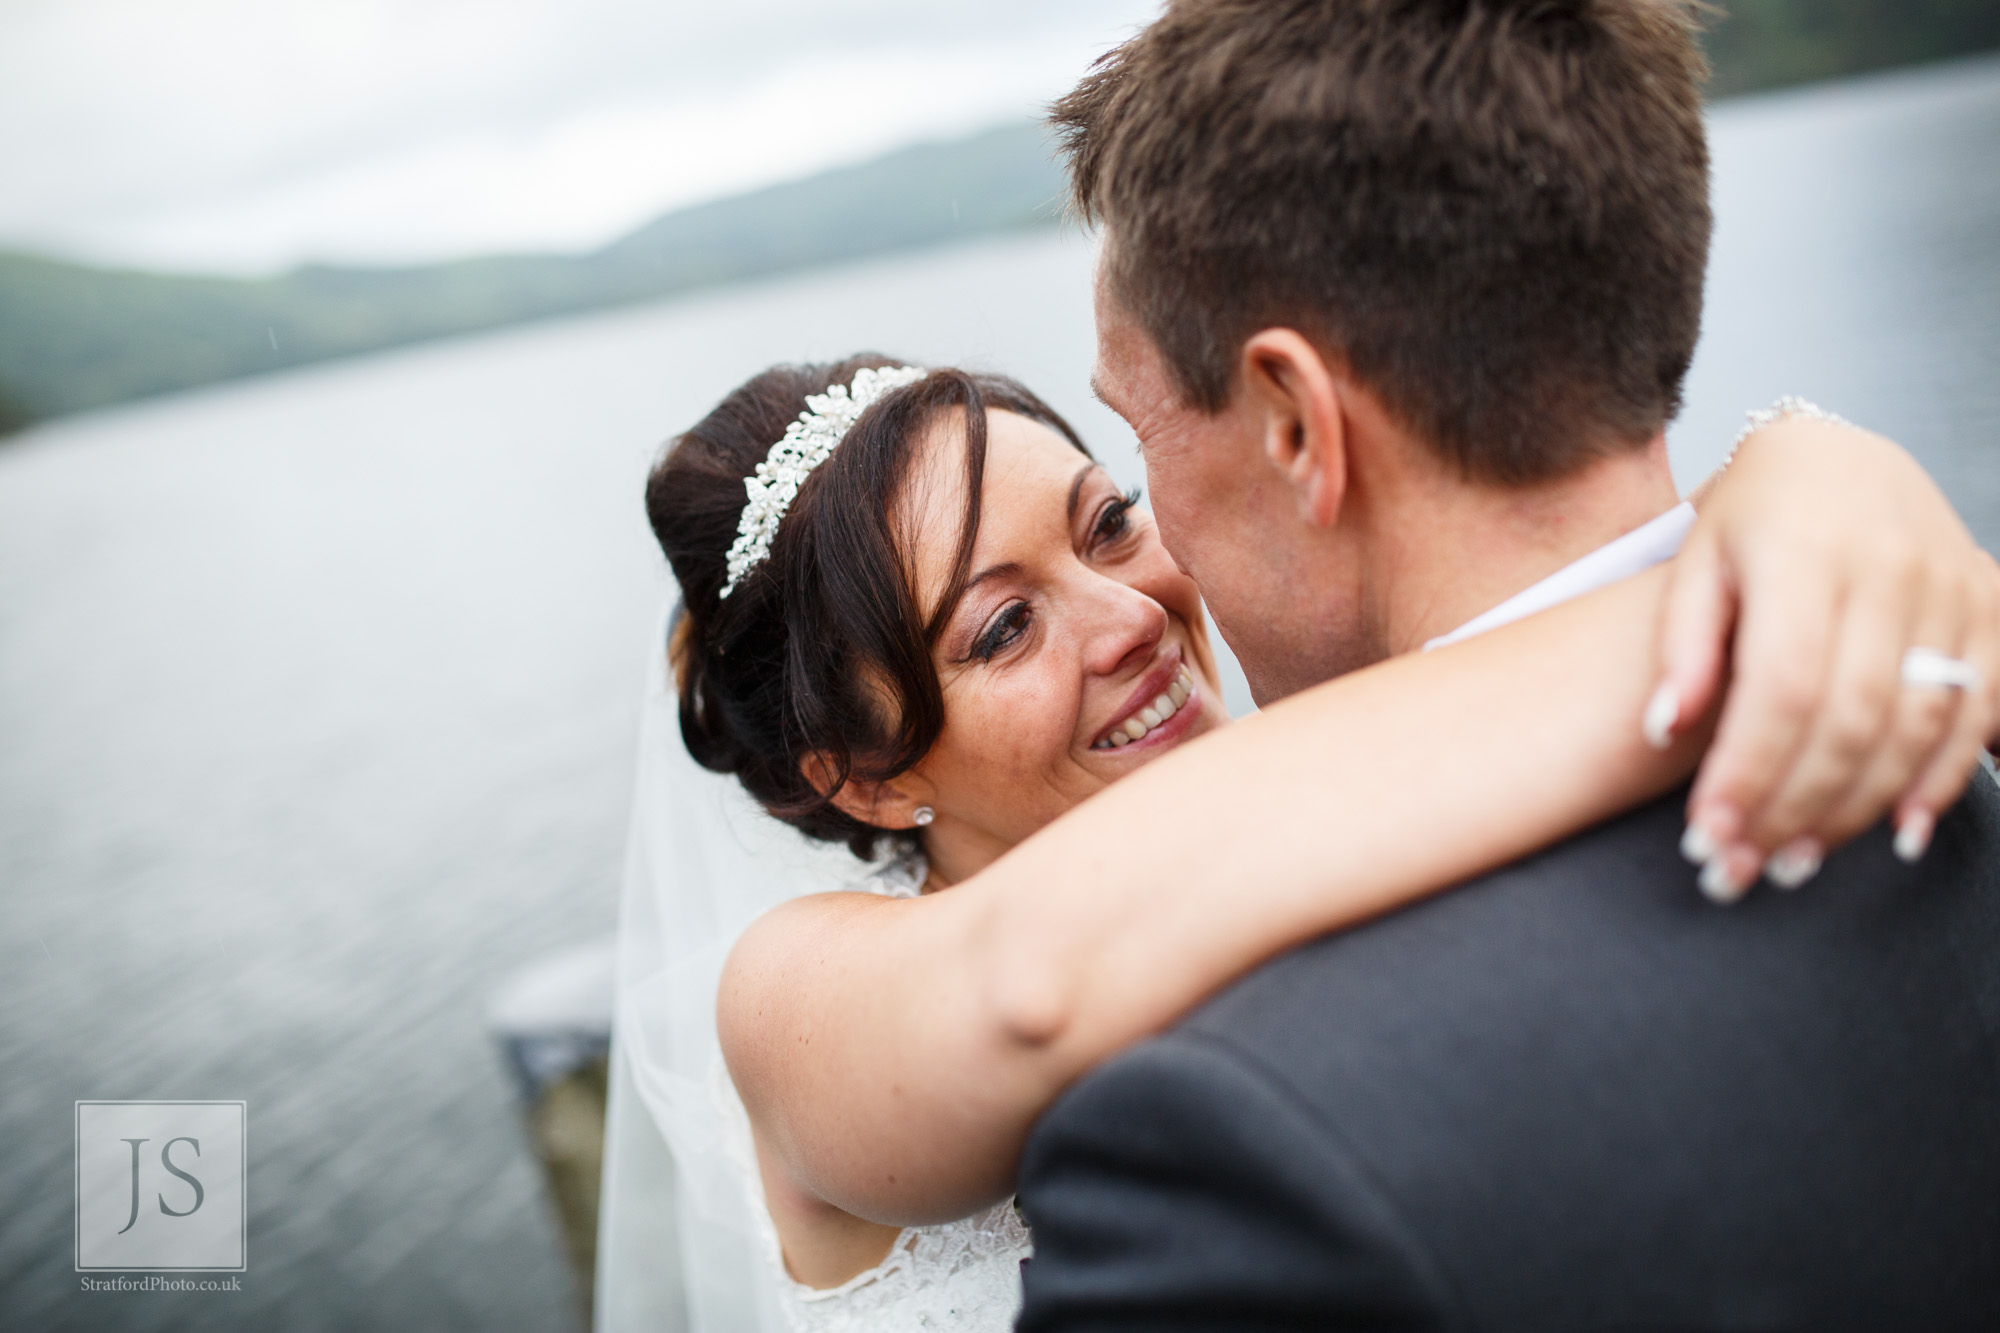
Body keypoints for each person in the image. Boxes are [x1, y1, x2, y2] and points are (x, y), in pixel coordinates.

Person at [625, 351, 1997, 1329]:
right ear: (865, 783)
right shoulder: (790, 997)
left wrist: (1798, 477)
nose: (1131, 616)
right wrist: (1793, 568)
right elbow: (1040, 979)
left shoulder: (1321, 798)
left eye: (1109, 522)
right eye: (1002, 627)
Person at [1007, 0, 2000, 1328]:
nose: (1158, 546)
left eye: (1146, 439)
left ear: (1299, 425)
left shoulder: (1246, 1134)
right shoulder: (1969, 764)